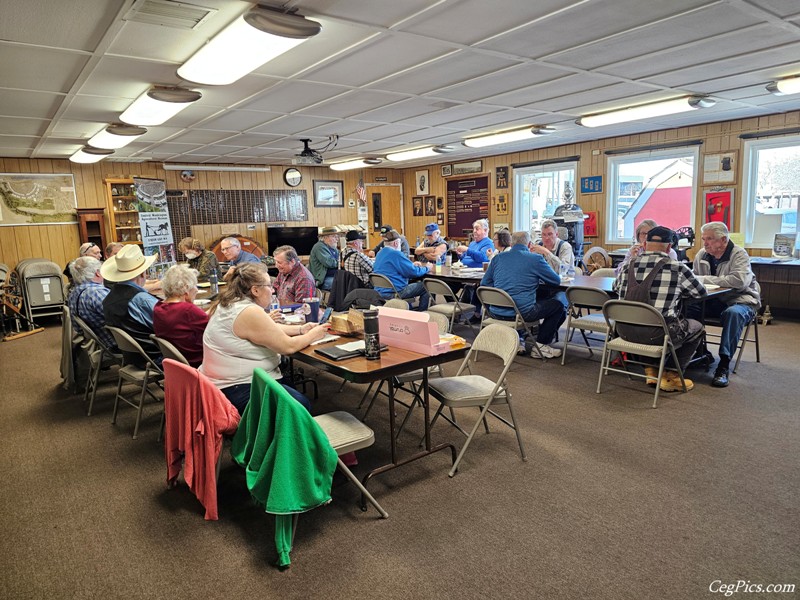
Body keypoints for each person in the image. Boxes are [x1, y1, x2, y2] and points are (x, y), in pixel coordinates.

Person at [199, 263, 329, 415]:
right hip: (237, 386)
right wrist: (316, 333)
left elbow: (265, 330)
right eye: (269, 285)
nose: (273, 290)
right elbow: (289, 347)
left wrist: (301, 329)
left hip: (221, 382)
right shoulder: (249, 311)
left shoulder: (230, 303)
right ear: (255, 290)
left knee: (293, 390)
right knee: (300, 406)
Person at [613, 226, 707, 392]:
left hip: (624, 331)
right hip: (657, 335)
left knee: (643, 321)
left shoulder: (628, 266)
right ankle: (672, 375)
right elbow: (700, 293)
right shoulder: (677, 268)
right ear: (670, 247)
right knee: (697, 327)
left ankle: (651, 369)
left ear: (645, 244)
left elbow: (615, 287)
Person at [690, 222, 761, 388]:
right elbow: (693, 280)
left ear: (723, 240)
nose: (705, 243)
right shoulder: (702, 254)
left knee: (733, 314)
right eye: (703, 239)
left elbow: (739, 282)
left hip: (741, 300)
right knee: (686, 308)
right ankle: (701, 352)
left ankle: (723, 365)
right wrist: (705, 281)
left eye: (709, 239)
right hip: (712, 300)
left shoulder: (739, 254)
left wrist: (705, 279)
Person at [481, 230, 566, 359]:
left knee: (528, 299)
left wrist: (504, 291)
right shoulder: (535, 259)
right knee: (558, 306)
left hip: (495, 311)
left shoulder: (497, 258)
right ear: (529, 244)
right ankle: (541, 345)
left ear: (511, 243)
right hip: (522, 313)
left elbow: (485, 283)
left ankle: (519, 338)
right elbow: (555, 280)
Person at [100, 244, 161, 368]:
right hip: (156, 356)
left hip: (134, 356)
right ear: (143, 274)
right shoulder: (141, 300)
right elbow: (168, 324)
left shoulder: (108, 298)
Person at [152, 264, 209, 368]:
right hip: (197, 360)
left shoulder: (158, 307)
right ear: (186, 288)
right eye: (195, 285)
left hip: (175, 362)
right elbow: (213, 326)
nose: (196, 289)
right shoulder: (187, 310)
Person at [373, 230, 432, 310]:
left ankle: (409, 310)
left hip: (379, 291)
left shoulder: (379, 253)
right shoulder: (396, 254)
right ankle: (422, 314)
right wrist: (427, 268)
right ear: (396, 243)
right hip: (395, 292)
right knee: (425, 286)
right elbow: (414, 272)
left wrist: (411, 265)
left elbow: (393, 268)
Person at [67, 256, 117, 351]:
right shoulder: (97, 293)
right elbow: (123, 319)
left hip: (98, 341)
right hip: (116, 343)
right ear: (98, 273)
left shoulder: (74, 293)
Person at [309, 226, 340, 291]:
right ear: (326, 237)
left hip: (334, 276)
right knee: (342, 284)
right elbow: (329, 263)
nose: (337, 239)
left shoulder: (333, 247)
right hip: (323, 279)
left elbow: (339, 259)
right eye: (334, 237)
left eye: (337, 237)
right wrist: (341, 262)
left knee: (348, 282)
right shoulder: (319, 247)